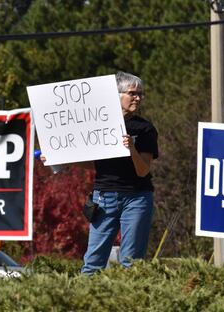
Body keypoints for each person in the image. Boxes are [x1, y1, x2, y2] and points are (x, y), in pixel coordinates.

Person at [41, 71, 158, 274]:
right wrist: (60, 158)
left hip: (137, 197)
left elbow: (143, 170)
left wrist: (131, 148)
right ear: (117, 94)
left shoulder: (145, 129)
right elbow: (97, 164)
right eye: (133, 93)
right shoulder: (99, 123)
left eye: (141, 94)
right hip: (104, 197)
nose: (138, 98)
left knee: (132, 263)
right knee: (93, 261)